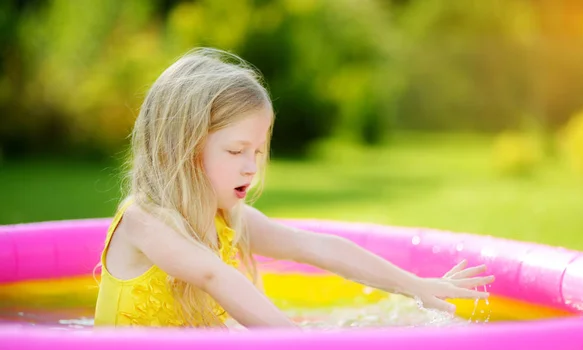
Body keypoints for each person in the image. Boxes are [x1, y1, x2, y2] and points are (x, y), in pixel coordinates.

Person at [93, 48, 494, 329]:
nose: (251, 167)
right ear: (179, 148)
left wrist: (416, 286)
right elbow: (216, 278)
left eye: (257, 150)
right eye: (235, 150)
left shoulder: (227, 219)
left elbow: (316, 247)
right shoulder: (143, 220)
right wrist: (300, 348)